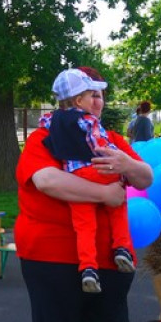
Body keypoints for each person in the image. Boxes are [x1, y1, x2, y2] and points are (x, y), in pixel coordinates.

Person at [16, 66, 153, 322]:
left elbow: (145, 178)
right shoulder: (44, 138)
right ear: (71, 101)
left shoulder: (109, 139)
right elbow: (47, 181)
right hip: (53, 254)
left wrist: (128, 166)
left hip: (109, 256)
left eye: (101, 95)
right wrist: (106, 195)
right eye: (92, 94)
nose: (99, 100)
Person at [43, 68, 136, 293]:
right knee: (117, 204)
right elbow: (99, 143)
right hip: (99, 170)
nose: (97, 101)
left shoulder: (50, 119)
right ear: (78, 99)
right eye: (91, 95)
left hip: (76, 177)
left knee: (84, 226)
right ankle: (122, 247)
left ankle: (88, 269)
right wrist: (119, 164)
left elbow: (46, 130)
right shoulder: (87, 120)